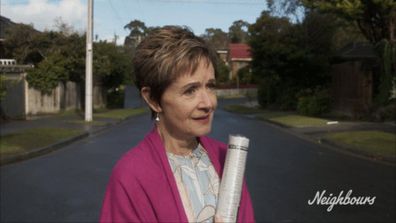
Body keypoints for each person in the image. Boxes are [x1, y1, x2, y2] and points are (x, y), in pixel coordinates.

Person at [100, 26, 255, 223]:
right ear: (153, 99)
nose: (208, 103)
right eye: (190, 90)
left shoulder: (227, 157)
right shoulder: (130, 176)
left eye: (210, 86)